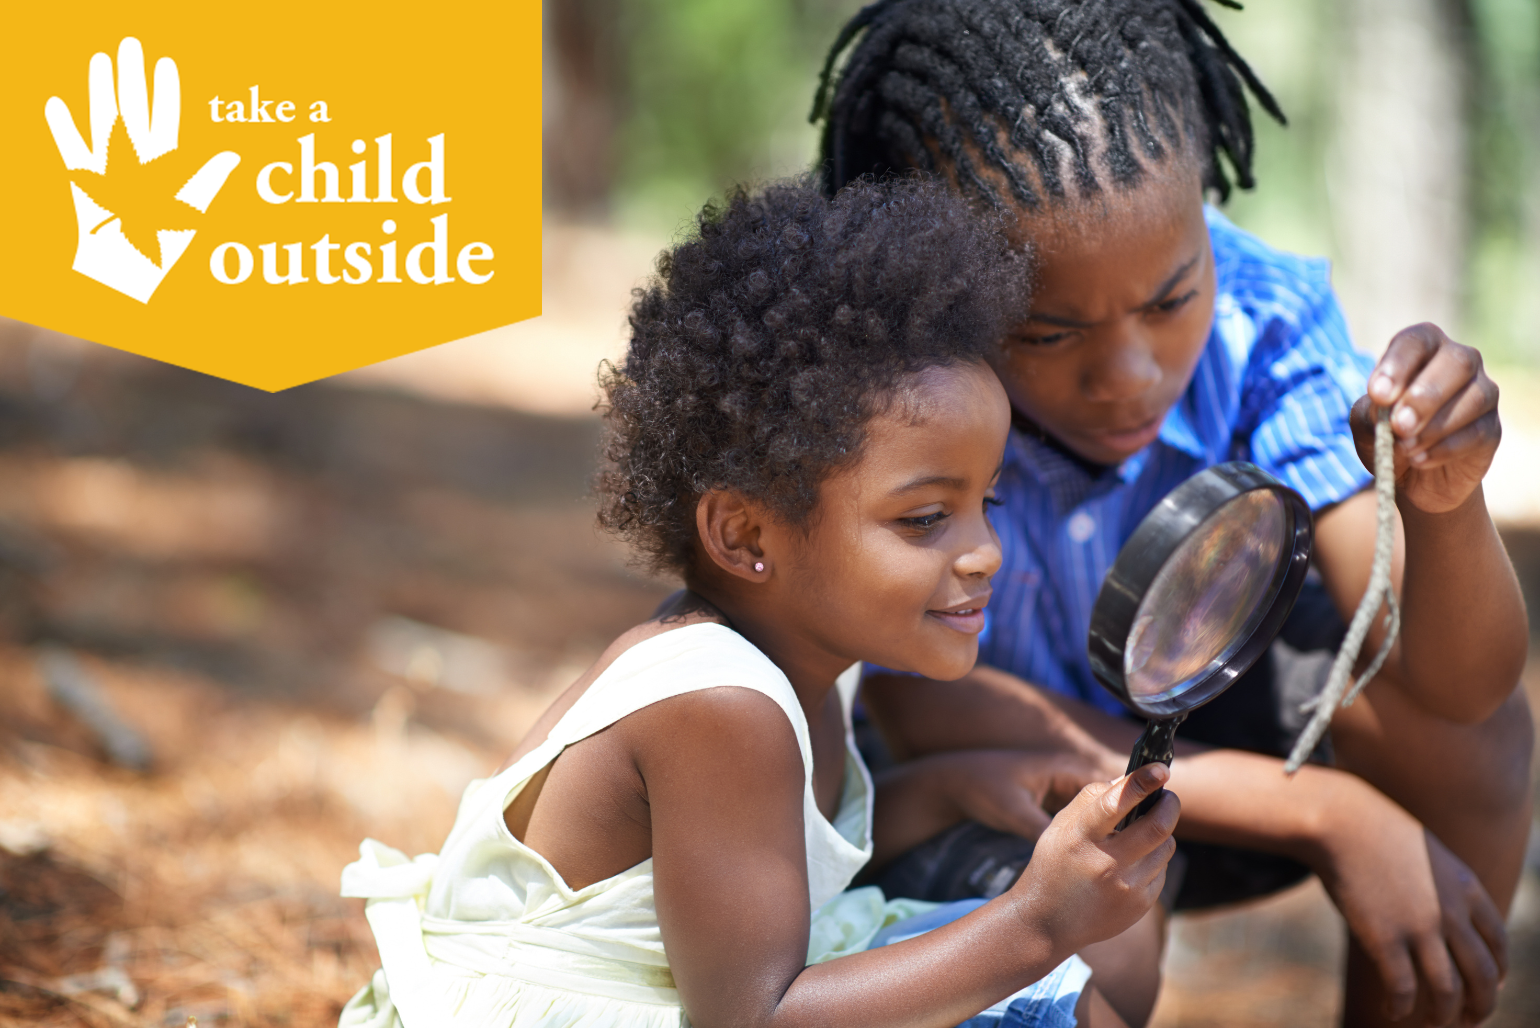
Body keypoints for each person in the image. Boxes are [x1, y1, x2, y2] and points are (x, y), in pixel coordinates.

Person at [812, 2, 1534, 1026]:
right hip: (997, 784)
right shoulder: (898, 380)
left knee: (1475, 739)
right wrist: (1329, 813)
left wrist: (1443, 509)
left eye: (1170, 295)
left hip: (1215, 737)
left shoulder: (1259, 317)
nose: (1131, 375)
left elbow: (1463, 689)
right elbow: (933, 712)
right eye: (1050, 332)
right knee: (1100, 945)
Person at [335, 176, 1179, 1028]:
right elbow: (752, 1016)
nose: (984, 552)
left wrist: (950, 787)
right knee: (1060, 994)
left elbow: (758, 865)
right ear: (745, 537)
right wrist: (1035, 921)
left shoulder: (800, 649)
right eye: (925, 518)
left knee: (1107, 951)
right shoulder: (720, 704)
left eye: (986, 504)